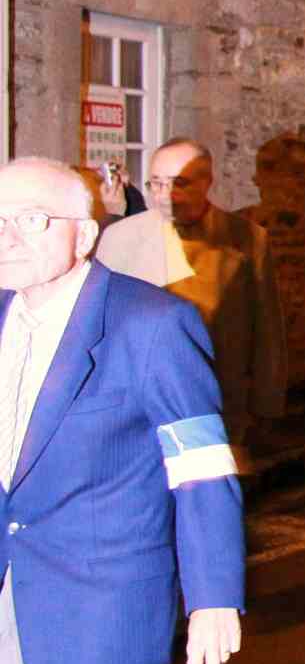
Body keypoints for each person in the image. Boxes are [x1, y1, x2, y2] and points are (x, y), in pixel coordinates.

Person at [0, 158, 245, 664]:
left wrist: (213, 598)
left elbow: (201, 469)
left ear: (85, 235)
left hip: (96, 607)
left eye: (31, 220)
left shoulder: (151, 324)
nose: (7, 237)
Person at [96, 138, 287, 456]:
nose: (165, 195)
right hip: (137, 410)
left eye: (179, 184)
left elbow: (266, 328)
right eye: (156, 184)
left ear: (207, 182)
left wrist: (267, 405)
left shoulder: (247, 239)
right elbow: (98, 326)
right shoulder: (119, 238)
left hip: (216, 405)